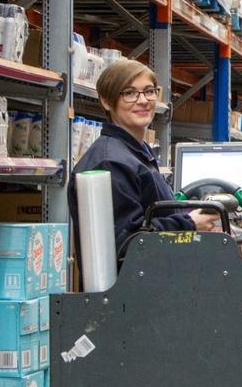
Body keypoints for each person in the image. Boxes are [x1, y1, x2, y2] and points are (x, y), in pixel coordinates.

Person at [68, 59, 219, 255]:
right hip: (133, 283)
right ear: (106, 101)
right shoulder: (110, 162)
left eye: (149, 91)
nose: (143, 100)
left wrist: (193, 214)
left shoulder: (136, 151)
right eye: (129, 93)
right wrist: (188, 224)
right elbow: (127, 242)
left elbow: (151, 216)